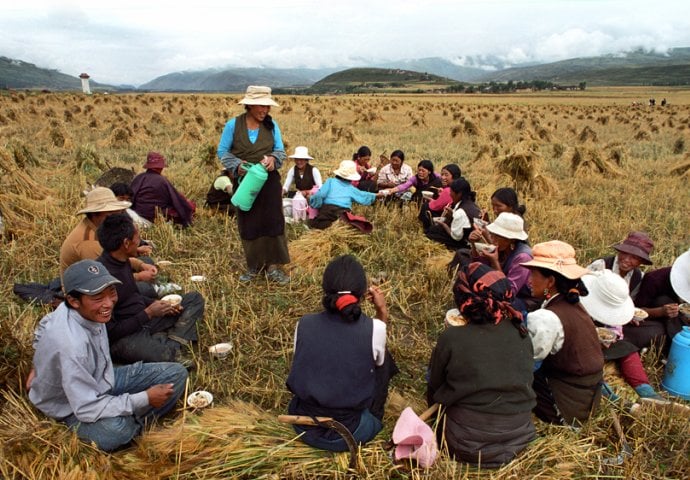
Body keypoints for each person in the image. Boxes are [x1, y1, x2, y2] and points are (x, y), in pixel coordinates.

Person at [28, 259, 187, 452]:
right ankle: (131, 424)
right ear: (73, 300)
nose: (108, 303)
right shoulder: (72, 347)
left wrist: (36, 366)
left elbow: (43, 325)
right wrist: (144, 399)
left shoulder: (67, 310)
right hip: (72, 406)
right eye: (97, 297)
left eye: (111, 292)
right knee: (117, 430)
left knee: (177, 374)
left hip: (102, 378)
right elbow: (86, 407)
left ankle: (126, 414)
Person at [427, 262, 535, 467]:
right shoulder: (521, 333)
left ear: (463, 299)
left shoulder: (452, 337)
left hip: (466, 443)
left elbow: (435, 387)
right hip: (519, 438)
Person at [286, 255, 398, 452]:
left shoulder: (304, 324)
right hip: (349, 432)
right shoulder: (375, 329)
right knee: (383, 360)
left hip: (304, 424)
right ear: (363, 293)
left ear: (325, 290)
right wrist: (382, 312)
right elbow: (378, 361)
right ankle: (373, 416)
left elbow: (303, 359)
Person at [96, 213, 204, 365]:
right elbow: (110, 332)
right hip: (126, 337)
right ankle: (167, 345)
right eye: (137, 237)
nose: (140, 242)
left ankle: (170, 343)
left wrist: (160, 305)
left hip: (144, 319)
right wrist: (149, 313)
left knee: (194, 299)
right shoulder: (103, 280)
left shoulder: (122, 260)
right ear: (126, 243)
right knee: (179, 364)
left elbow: (133, 296)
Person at [521, 241, 604, 426]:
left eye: (533, 274)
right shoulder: (571, 303)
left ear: (550, 281)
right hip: (588, 392)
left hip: (567, 402)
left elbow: (528, 361)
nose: (529, 280)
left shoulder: (546, 318)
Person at [217, 85, 290, 284]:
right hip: (246, 182)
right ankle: (254, 266)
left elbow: (281, 151)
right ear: (249, 105)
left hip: (269, 181)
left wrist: (274, 159)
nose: (264, 111)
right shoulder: (233, 125)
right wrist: (236, 165)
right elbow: (222, 152)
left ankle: (273, 267)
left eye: (267, 107)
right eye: (260, 106)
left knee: (273, 221)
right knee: (249, 222)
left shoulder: (272, 126)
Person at [579, 270, 665, 401]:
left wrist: (611, 337)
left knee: (627, 348)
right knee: (586, 365)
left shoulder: (613, 304)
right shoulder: (578, 298)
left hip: (602, 343)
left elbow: (616, 326)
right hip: (579, 344)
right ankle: (612, 398)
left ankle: (647, 392)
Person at [59, 187, 157, 288]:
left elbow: (115, 256)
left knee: (146, 262)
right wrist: (138, 277)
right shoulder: (89, 242)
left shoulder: (100, 228)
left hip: (102, 273)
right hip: (86, 289)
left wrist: (140, 265)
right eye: (110, 215)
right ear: (94, 214)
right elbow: (104, 277)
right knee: (144, 289)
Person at [470, 212, 535, 311]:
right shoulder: (503, 249)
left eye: (498, 236)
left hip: (522, 299)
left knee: (490, 305)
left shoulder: (523, 257)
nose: (493, 239)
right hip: (501, 290)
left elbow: (508, 293)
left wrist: (495, 262)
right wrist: (474, 244)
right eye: (493, 235)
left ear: (511, 240)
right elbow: (481, 267)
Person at [628, 248, 690, 350]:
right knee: (662, 302)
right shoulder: (654, 280)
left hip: (678, 323)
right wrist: (661, 311)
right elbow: (636, 312)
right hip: (652, 322)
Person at [307, 160, 384, 230]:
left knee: (317, 223)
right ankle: (339, 225)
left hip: (328, 210)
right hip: (343, 213)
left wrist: (313, 201)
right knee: (345, 224)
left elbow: (319, 195)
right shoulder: (351, 188)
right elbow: (362, 195)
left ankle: (328, 226)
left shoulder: (330, 181)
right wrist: (376, 195)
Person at [130, 152, 196, 228]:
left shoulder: (139, 178)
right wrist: (187, 219)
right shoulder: (163, 181)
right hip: (156, 217)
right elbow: (177, 200)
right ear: (160, 168)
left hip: (137, 214)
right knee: (190, 205)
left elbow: (131, 197)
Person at [587, 231, 654, 300]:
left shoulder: (638, 277)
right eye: (624, 253)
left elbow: (630, 302)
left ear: (640, 262)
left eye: (634, 257)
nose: (627, 260)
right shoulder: (601, 265)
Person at [424, 177, 482, 251]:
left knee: (432, 232)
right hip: (471, 235)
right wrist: (452, 214)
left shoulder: (460, 211)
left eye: (451, 192)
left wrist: (443, 225)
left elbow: (456, 237)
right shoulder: (470, 203)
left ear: (459, 194)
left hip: (467, 242)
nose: (450, 194)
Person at [418, 164, 462, 232]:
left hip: (449, 219)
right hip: (455, 217)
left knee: (426, 206)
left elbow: (434, 206)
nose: (443, 177)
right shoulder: (460, 186)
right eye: (442, 174)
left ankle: (426, 228)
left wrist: (430, 200)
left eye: (446, 175)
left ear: (454, 176)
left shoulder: (448, 190)